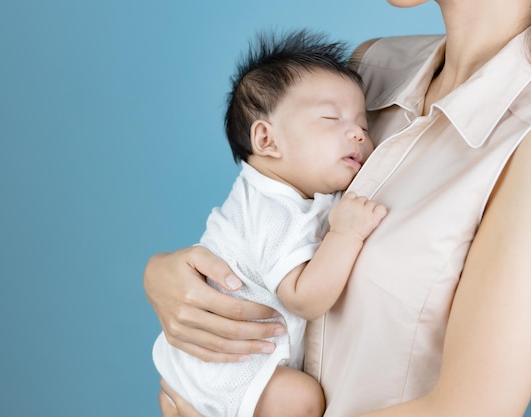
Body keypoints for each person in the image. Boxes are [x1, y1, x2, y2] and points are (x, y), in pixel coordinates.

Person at [144, 0, 531, 416]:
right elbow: (266, 227)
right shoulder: (370, 70)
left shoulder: (520, 134)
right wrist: (165, 276)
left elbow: (472, 409)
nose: (355, 135)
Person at [152, 29, 386, 417]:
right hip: (223, 364)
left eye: (363, 123)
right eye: (332, 118)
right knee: (300, 399)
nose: (359, 133)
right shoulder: (273, 211)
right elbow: (304, 297)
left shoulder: (286, 194)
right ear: (267, 139)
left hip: (210, 359)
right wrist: (346, 235)